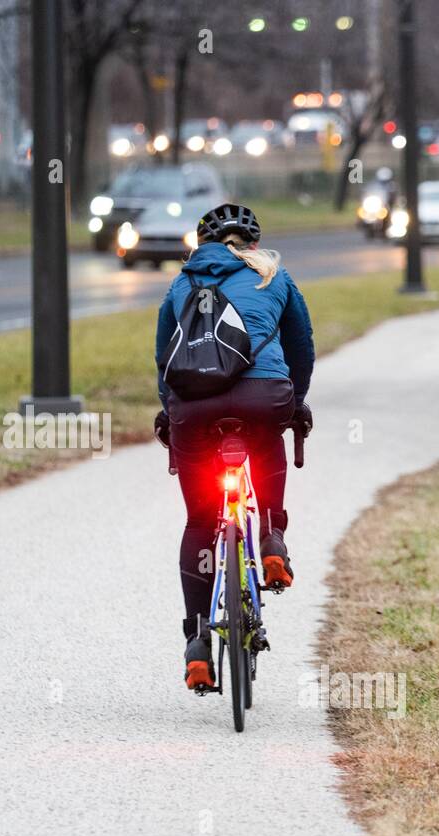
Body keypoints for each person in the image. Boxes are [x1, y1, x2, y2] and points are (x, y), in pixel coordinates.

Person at [153, 203, 315, 691]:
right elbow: (301, 345)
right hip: (263, 398)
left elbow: (164, 355)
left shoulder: (181, 284)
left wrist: (170, 409)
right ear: (252, 245)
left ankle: (198, 642)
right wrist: (296, 401)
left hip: (193, 409)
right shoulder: (274, 276)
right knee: (266, 440)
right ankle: (271, 538)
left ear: (201, 244)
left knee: (202, 521)